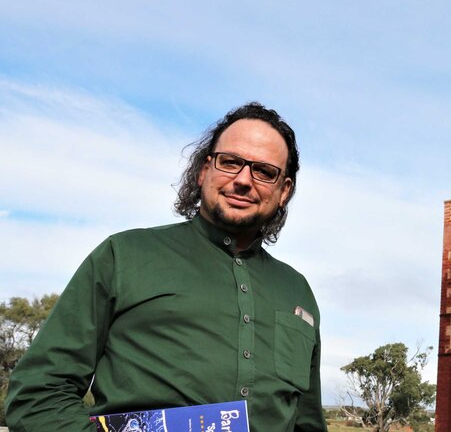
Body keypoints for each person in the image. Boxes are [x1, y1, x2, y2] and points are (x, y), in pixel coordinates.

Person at [4, 103, 327, 431]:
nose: (243, 180)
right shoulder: (123, 256)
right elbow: (36, 397)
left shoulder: (297, 291)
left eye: (264, 171)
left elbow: (308, 423)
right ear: (204, 170)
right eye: (230, 162)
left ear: (284, 190)